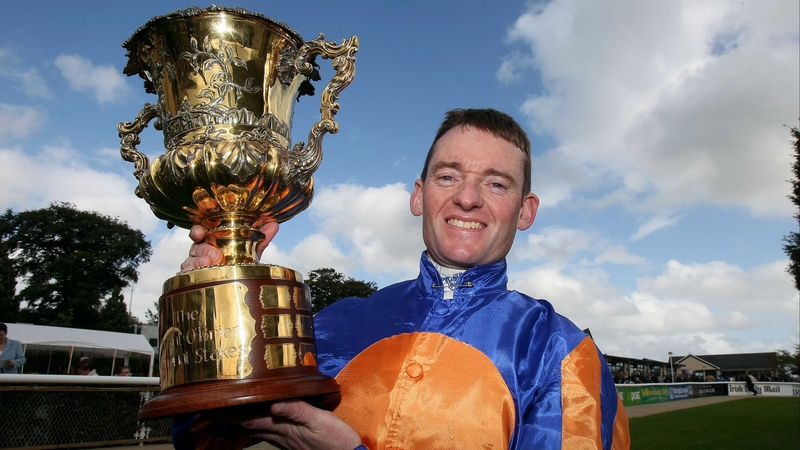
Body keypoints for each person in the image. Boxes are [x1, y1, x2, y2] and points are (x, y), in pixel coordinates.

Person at [175, 109, 630, 449]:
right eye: (448, 176)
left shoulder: (561, 352)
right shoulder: (333, 325)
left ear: (525, 210)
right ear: (419, 195)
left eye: (496, 183)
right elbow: (199, 436)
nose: (467, 198)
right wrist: (219, 296)